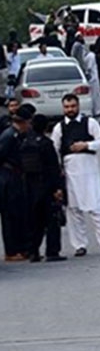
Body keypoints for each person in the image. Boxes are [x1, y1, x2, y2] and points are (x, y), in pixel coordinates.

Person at [51, 94, 100, 257]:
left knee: (96, 208)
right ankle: (79, 245)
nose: (70, 109)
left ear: (78, 106)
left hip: (89, 171)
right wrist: (58, 169)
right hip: (70, 172)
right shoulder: (59, 128)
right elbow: (54, 149)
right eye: (67, 107)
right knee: (74, 210)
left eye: (72, 106)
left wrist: (86, 145)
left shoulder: (90, 123)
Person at [21, 113, 64, 262]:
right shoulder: (46, 144)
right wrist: (58, 188)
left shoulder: (25, 142)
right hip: (46, 186)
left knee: (34, 222)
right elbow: (53, 168)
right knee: (52, 220)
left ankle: (33, 252)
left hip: (29, 187)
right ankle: (52, 252)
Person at [0, 103, 32, 261]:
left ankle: (22, 247)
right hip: (8, 178)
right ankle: (11, 251)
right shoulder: (8, 136)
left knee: (20, 213)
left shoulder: (19, 135)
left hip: (17, 177)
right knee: (10, 216)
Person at [70, 36, 100, 117]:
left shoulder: (85, 55)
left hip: (90, 77)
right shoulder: (91, 56)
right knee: (94, 95)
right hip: (93, 78)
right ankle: (96, 111)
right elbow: (89, 67)